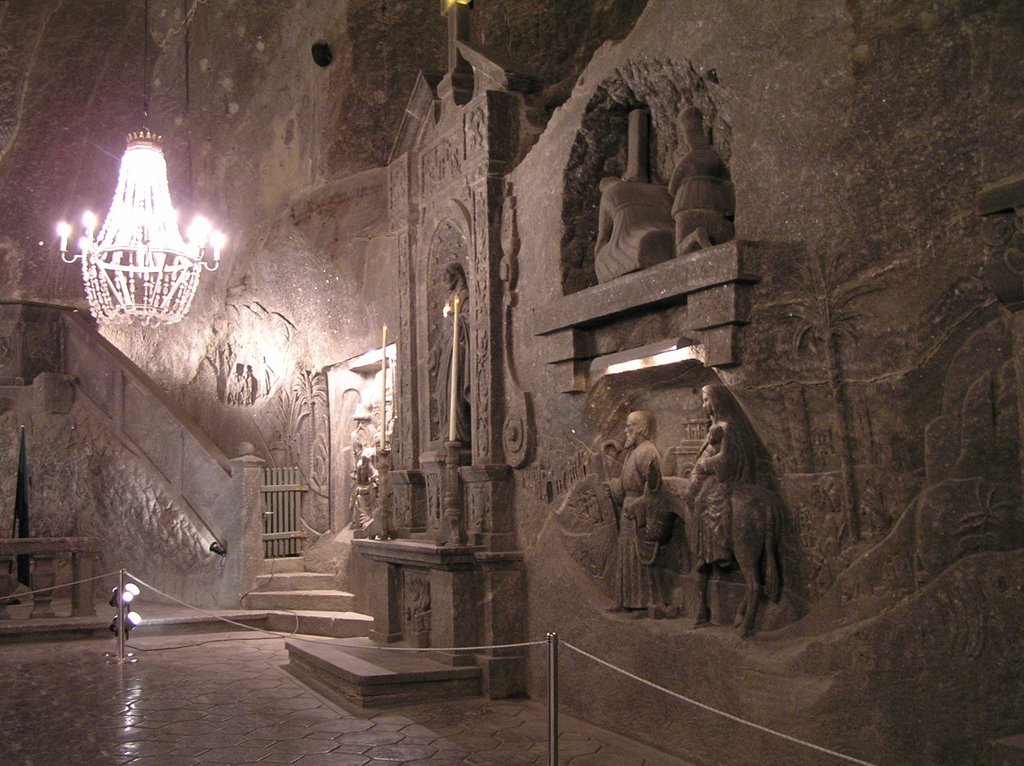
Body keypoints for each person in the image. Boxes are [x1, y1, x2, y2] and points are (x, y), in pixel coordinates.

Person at [686, 384, 759, 579]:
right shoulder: (714, 427)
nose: (705, 405)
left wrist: (705, 465)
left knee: (703, 501)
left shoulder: (729, 427)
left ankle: (717, 549)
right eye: (703, 401)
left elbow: (727, 459)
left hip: (723, 479)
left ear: (717, 401)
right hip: (709, 477)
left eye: (707, 400)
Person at [607, 410, 663, 614]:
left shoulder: (648, 452)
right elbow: (624, 486)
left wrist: (639, 503)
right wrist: (612, 486)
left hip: (639, 512)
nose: (626, 431)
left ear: (640, 429)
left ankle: (641, 603)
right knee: (626, 555)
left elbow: (656, 488)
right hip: (628, 511)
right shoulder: (632, 453)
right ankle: (624, 600)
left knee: (638, 557)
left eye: (629, 427)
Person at [668, 106, 735, 254]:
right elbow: (728, 182)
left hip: (687, 206)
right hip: (715, 207)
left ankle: (695, 236)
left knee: (680, 251)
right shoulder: (714, 157)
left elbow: (672, 188)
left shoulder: (688, 158)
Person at [428, 261, 471, 444]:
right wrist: (435, 351)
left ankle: (459, 433)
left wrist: (457, 321)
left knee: (455, 387)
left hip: (458, 350)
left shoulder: (465, 296)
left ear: (457, 276)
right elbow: (444, 332)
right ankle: (447, 429)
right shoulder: (450, 299)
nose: (444, 279)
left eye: (446, 275)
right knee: (443, 390)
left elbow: (468, 321)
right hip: (447, 351)